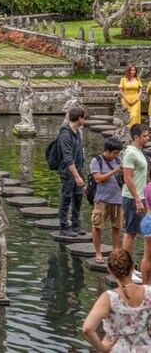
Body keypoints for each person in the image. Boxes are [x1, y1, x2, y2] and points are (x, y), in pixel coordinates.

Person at [83, 248, 151, 352]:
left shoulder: (109, 298)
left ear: (109, 271)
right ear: (132, 267)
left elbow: (87, 329)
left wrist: (103, 348)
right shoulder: (148, 292)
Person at [90, 137, 124, 264]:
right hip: (102, 199)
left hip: (117, 199)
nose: (116, 155)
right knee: (97, 225)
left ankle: (115, 252)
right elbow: (98, 178)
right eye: (114, 153)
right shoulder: (96, 161)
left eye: (118, 153)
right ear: (107, 151)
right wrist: (115, 170)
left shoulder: (117, 160)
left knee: (117, 226)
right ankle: (98, 253)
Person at [122, 124, 151, 266]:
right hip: (132, 198)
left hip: (141, 197)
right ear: (136, 137)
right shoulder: (130, 153)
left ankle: (132, 267)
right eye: (145, 136)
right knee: (130, 232)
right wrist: (137, 200)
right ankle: (127, 269)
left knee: (137, 231)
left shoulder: (140, 152)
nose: (148, 138)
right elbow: (127, 178)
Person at [58, 107, 88, 237]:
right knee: (67, 197)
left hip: (78, 169)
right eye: (84, 117)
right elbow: (68, 158)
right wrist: (76, 176)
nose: (85, 120)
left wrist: (80, 173)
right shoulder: (65, 134)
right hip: (68, 172)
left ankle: (75, 223)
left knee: (78, 196)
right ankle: (63, 225)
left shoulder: (76, 132)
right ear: (80, 118)